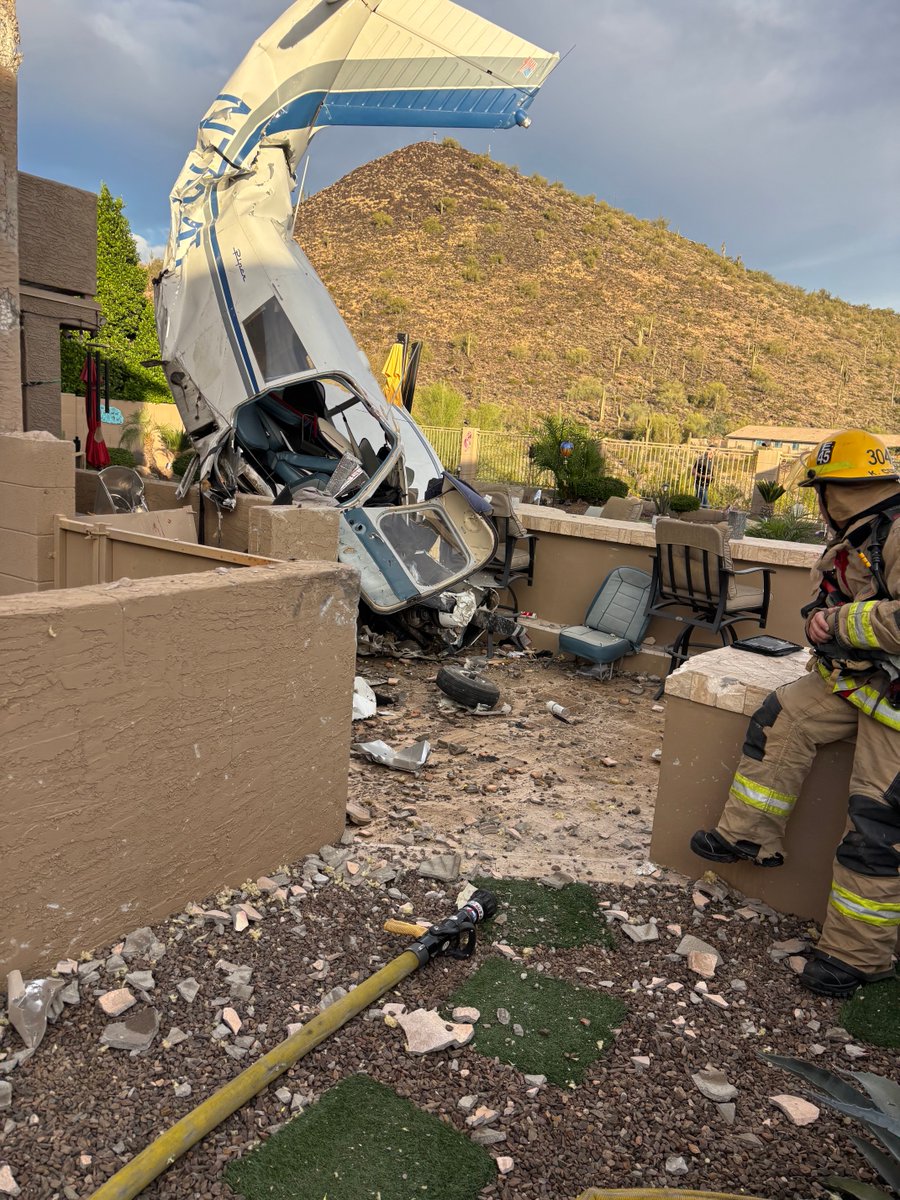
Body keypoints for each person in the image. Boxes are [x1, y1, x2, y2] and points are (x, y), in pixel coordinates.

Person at [690, 429, 900, 998]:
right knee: (782, 716)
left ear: (837, 490)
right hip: (865, 680)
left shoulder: (898, 533)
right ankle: (748, 838)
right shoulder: (865, 533)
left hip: (895, 705)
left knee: (875, 824)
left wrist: (837, 624)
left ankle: (859, 958)